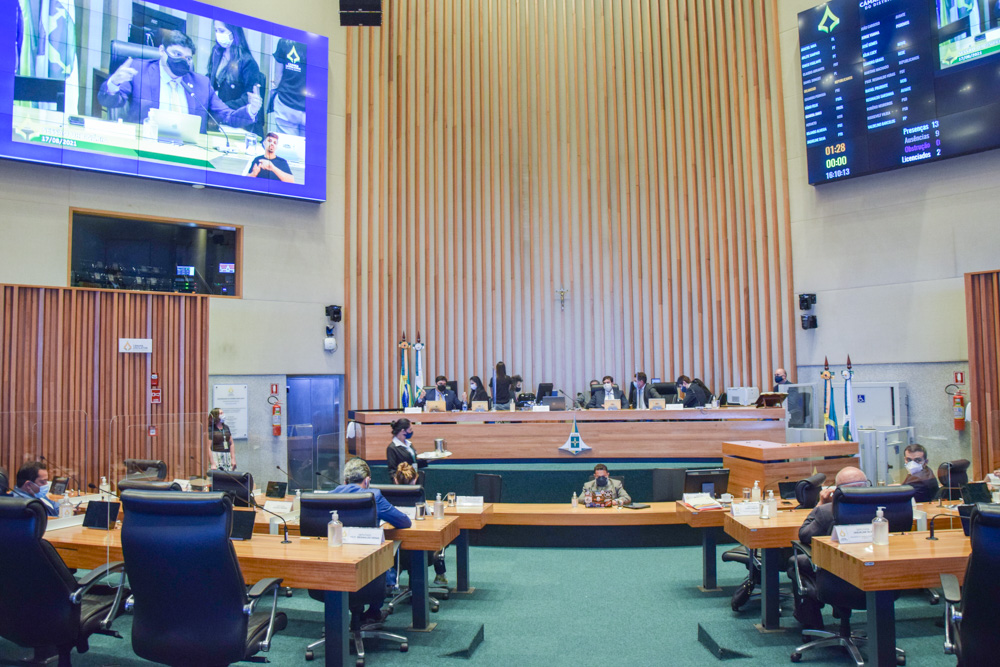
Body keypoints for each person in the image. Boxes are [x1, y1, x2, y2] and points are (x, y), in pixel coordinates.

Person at [98, 30, 262, 134]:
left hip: (189, 153)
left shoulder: (202, 84)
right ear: (162, 51)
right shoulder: (139, 70)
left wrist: (251, 110)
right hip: (145, 148)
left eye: (187, 58)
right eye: (176, 54)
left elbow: (228, 116)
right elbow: (108, 101)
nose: (182, 61)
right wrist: (114, 83)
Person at [332, 457, 411, 627]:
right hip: (370, 572)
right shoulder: (373, 496)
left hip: (335, 570)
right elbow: (404, 522)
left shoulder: (330, 496)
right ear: (367, 481)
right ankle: (373, 612)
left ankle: (344, 617)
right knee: (386, 551)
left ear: (345, 481)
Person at [788, 466, 869, 629]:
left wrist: (820, 504)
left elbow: (804, 535)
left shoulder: (827, 511)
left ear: (837, 491)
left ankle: (812, 624)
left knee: (795, 561)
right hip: (875, 576)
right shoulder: (887, 510)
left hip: (837, 577)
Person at [392, 462, 448, 586]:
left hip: (395, 552)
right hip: (421, 551)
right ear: (416, 478)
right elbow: (432, 522)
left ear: (395, 480)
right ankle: (440, 574)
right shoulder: (420, 498)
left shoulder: (387, 500)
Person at [206, 21, 264, 139]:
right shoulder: (216, 52)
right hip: (216, 118)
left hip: (236, 120)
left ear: (234, 32)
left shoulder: (247, 61)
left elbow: (248, 98)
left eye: (222, 31)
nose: (218, 34)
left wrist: (221, 107)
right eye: (216, 30)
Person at [269, 38, 307, 136]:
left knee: (288, 144)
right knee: (307, 144)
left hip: (285, 102)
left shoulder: (284, 42)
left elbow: (278, 77)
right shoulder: (315, 46)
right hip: (307, 106)